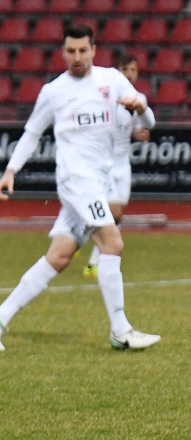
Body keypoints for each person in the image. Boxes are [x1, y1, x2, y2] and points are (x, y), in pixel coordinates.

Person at [0, 25, 159, 352]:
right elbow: (32, 133)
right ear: (63, 53)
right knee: (113, 243)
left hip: (98, 180)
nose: (76, 57)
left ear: (94, 50)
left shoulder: (112, 80)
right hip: (77, 181)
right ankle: (121, 330)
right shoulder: (54, 91)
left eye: (82, 51)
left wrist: (140, 109)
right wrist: (10, 171)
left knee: (59, 256)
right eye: (70, 51)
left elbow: (149, 124)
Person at [83, 53, 151, 279]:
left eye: (133, 69)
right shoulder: (107, 96)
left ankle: (82, 243)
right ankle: (96, 259)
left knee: (117, 216)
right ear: (118, 72)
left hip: (124, 162)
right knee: (113, 211)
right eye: (126, 70)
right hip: (106, 161)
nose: (130, 74)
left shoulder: (139, 98)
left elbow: (138, 127)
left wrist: (140, 134)